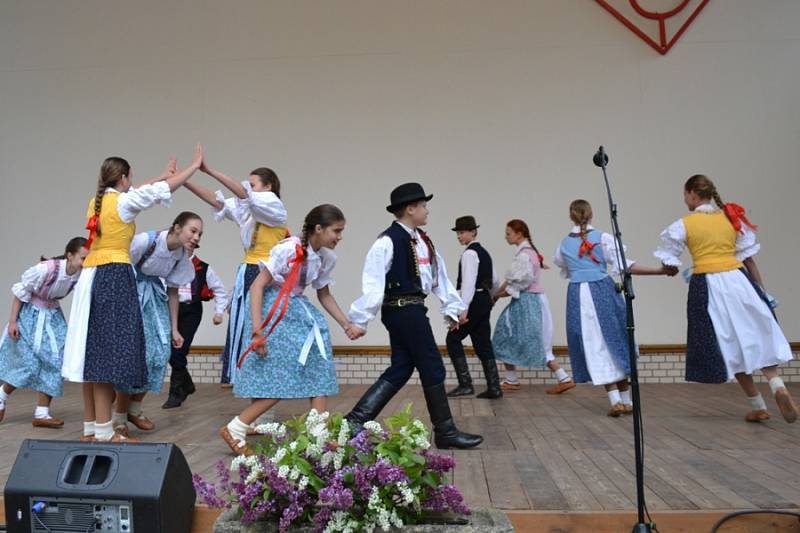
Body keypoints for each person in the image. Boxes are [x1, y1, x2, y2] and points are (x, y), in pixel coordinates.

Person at [346, 183, 483, 449]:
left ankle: (354, 421)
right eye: (423, 206)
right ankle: (445, 431)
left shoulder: (424, 240)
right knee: (432, 364)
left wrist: (452, 308)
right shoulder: (387, 241)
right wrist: (360, 319)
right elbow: (373, 282)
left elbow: (437, 278)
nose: (427, 210)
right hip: (401, 309)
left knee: (402, 367)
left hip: (413, 308)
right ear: (410, 209)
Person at [654, 175, 796, 423]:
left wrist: (668, 268)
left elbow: (669, 261)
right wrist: (760, 292)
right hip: (739, 281)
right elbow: (749, 258)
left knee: (729, 342)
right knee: (755, 333)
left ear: (692, 194)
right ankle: (777, 385)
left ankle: (758, 404)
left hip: (708, 285)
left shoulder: (684, 225)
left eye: (685, 194)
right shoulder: (730, 219)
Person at [0, 237, 88, 427]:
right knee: (29, 363)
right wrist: (13, 322)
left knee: (56, 361)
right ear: (70, 255)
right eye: (82, 258)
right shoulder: (45, 269)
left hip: (53, 316)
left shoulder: (81, 274)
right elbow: (20, 293)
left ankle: (42, 413)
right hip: (30, 315)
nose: (85, 263)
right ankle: (1, 396)